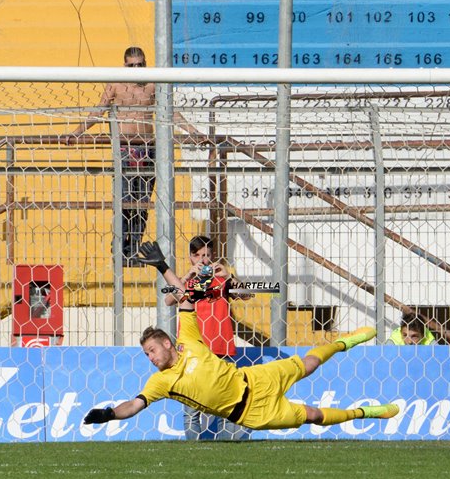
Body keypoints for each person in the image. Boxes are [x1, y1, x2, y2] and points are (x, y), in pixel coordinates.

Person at [83, 241, 400, 432]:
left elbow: (185, 298)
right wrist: (109, 414)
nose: (151, 358)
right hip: (252, 413)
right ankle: (369, 412)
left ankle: (347, 341)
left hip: (255, 378)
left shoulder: (188, 340)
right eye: (147, 355)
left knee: (310, 364)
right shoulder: (160, 383)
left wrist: (163, 266)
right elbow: (135, 405)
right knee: (313, 416)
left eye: (152, 350)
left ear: (168, 343)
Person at [69, 46, 156, 263]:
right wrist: (76, 132)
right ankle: (120, 245)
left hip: (148, 148)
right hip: (125, 149)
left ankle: (134, 248)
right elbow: (98, 111)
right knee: (125, 200)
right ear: (124, 65)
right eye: (132, 65)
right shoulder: (116, 84)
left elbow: (171, 111)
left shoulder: (154, 83)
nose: (137, 69)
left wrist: (193, 133)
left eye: (140, 64)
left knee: (142, 202)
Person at [163, 235, 252, 440]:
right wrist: (186, 277)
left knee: (225, 403)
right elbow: (168, 300)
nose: (203, 260)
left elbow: (248, 294)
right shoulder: (186, 283)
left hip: (221, 348)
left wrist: (229, 276)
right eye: (199, 256)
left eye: (208, 256)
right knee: (191, 407)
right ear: (191, 257)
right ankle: (193, 452)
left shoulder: (221, 281)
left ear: (214, 257)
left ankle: (224, 449)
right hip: (193, 350)